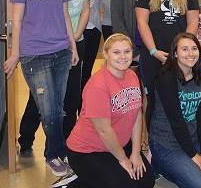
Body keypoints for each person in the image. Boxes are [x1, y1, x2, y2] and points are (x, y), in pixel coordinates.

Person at [3, 0, 78, 176]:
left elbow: (65, 15)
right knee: (49, 110)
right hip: (34, 54)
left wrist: (73, 46)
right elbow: (17, 18)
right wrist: (15, 53)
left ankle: (55, 151)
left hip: (61, 52)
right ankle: (55, 153)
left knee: (59, 107)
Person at [65, 33, 155, 188]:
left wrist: (135, 152)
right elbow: (104, 131)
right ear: (105, 54)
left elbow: (137, 115)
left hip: (118, 145)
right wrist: (123, 160)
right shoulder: (97, 85)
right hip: (88, 150)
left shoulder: (132, 76)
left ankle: (89, 179)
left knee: (147, 181)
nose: (123, 57)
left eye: (127, 52)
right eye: (116, 52)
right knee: (126, 184)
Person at [148, 32, 201, 187]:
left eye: (194, 48)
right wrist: (194, 156)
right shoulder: (166, 77)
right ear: (175, 53)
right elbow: (176, 120)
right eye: (184, 49)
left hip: (192, 139)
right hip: (166, 142)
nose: (190, 53)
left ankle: (185, 165)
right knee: (200, 184)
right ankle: (159, 164)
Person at [135, 0, 199, 96]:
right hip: (153, 54)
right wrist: (153, 51)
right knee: (153, 98)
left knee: (178, 97)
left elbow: (193, 22)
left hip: (179, 56)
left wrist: (182, 50)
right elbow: (142, 23)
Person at [56, 0, 95, 137]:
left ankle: (68, 136)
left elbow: (85, 11)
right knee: (49, 95)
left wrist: (77, 36)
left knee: (72, 93)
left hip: (76, 43)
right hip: (54, 44)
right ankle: (26, 137)